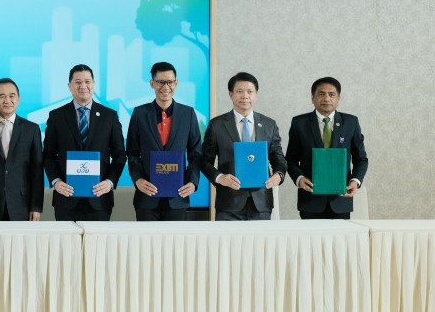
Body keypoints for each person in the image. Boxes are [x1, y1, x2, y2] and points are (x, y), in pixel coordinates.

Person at [43, 64, 126, 221]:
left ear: (93, 84)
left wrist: (109, 182)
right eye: (78, 82)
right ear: (69, 85)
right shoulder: (56, 116)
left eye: (87, 81)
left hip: (99, 199)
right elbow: (48, 154)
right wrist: (56, 181)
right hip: (65, 198)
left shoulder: (109, 116)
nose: (83, 86)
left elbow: (120, 155)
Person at [200, 71, 286, 221]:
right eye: (239, 91)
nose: (245, 96)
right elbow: (204, 161)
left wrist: (279, 175)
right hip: (228, 203)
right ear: (231, 94)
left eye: (250, 92)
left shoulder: (269, 125)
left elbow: (278, 158)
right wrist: (220, 178)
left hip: (261, 203)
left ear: (256, 95)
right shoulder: (217, 125)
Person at [125, 62, 203, 221]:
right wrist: (138, 179)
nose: (165, 87)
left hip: (178, 196)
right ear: (152, 83)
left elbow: (196, 154)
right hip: (146, 197)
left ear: (176, 83)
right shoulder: (139, 113)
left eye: (170, 82)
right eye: (160, 82)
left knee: (175, 238)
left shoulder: (188, 114)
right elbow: (132, 153)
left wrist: (192, 182)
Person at [286, 76, 368, 219]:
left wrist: (355, 181)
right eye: (321, 94)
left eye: (331, 94)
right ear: (312, 98)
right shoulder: (299, 123)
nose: (326, 98)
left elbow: (361, 159)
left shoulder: (351, 122)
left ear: (338, 99)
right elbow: (290, 159)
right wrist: (299, 178)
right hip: (310, 199)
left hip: (341, 198)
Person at [0, 78, 44, 221]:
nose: (7, 100)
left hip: (22, 205)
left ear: (18, 99)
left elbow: (37, 171)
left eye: (12, 96)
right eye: (2, 96)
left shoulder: (31, 129)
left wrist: (36, 207)